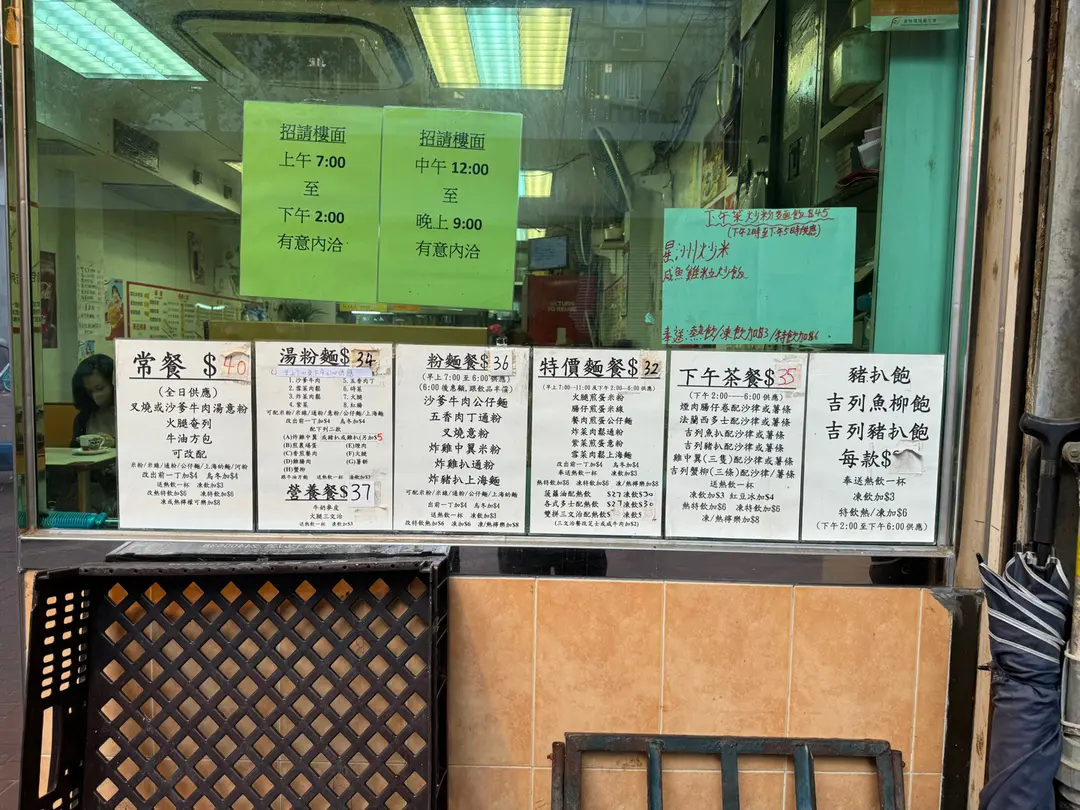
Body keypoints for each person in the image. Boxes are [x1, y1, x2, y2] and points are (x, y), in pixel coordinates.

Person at [71, 354, 116, 448]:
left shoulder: (132, 412)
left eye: (100, 388)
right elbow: (74, 449)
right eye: (89, 391)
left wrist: (115, 443)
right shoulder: (83, 419)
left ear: (113, 383)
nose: (95, 396)